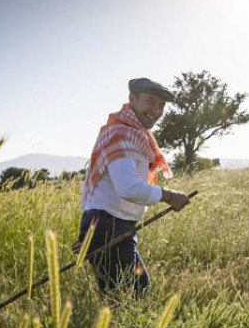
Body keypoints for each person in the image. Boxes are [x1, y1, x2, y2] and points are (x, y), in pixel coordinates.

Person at [76, 77, 190, 298]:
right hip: (107, 226)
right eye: (150, 101)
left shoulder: (133, 133)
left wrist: (89, 232)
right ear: (132, 98)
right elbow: (128, 188)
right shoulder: (122, 133)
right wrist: (169, 196)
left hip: (113, 226)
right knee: (129, 295)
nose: (156, 110)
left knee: (129, 293)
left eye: (161, 105)